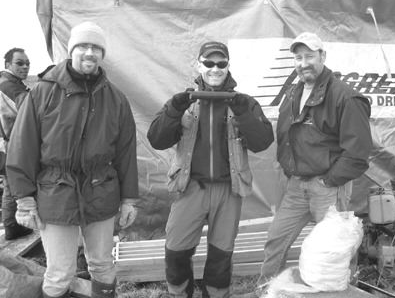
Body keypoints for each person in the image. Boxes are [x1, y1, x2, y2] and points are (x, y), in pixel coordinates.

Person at [6, 21, 139, 298]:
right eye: (83, 46)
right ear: (72, 50)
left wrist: (129, 200)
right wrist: (24, 199)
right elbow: (22, 148)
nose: (89, 52)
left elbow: (126, 153)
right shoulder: (43, 92)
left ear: (103, 54)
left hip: (101, 190)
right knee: (59, 272)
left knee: (102, 265)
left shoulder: (116, 99)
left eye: (96, 48)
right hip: (55, 192)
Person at [147, 41, 274, 298]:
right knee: (175, 250)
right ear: (199, 65)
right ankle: (180, 294)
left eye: (221, 63)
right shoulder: (185, 102)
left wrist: (243, 112)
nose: (215, 69)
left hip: (229, 189)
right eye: (209, 63)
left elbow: (263, 142)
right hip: (191, 187)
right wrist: (173, 108)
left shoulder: (244, 102)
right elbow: (157, 139)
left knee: (221, 254)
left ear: (228, 67)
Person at [258, 32, 372, 287]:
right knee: (276, 239)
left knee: (335, 250)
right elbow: (287, 136)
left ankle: (340, 291)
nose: (303, 62)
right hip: (297, 186)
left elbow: (358, 152)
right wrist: (291, 173)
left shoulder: (345, 97)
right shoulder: (293, 93)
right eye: (298, 57)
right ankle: (268, 288)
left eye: (310, 56)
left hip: (328, 187)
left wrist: (328, 182)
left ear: (323, 56)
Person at [0, 47, 32, 240]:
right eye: (20, 63)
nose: (25, 66)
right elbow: (29, 110)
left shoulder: (10, 83)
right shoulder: (9, 86)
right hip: (11, 143)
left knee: (10, 185)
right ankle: (12, 226)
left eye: (27, 63)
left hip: (7, 143)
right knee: (13, 185)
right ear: (8, 65)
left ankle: (12, 225)